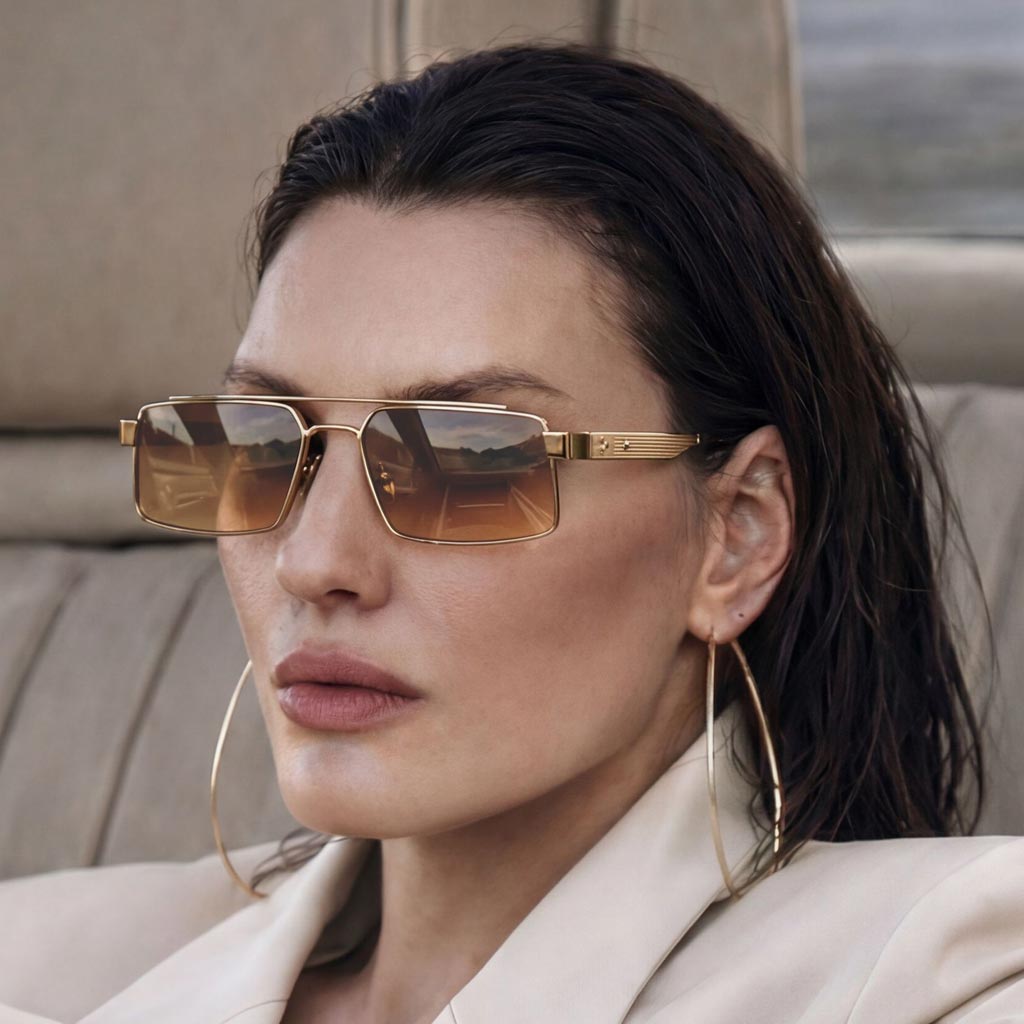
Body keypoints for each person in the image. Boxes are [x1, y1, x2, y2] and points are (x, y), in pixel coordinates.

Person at [1, 39, 1022, 1024]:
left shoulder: (951, 968)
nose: (314, 562)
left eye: (465, 459)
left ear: (737, 535)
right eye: (265, 441)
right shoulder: (44, 963)